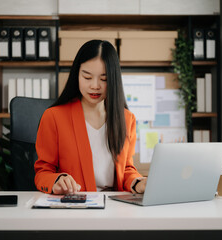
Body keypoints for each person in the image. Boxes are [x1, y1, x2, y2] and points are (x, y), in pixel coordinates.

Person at [34, 39, 147, 195]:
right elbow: (43, 172)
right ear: (77, 75)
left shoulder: (127, 119)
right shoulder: (53, 117)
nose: (95, 86)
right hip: (75, 206)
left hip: (115, 208)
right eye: (87, 77)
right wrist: (56, 180)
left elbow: (126, 169)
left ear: (113, 80)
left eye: (104, 79)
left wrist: (137, 182)